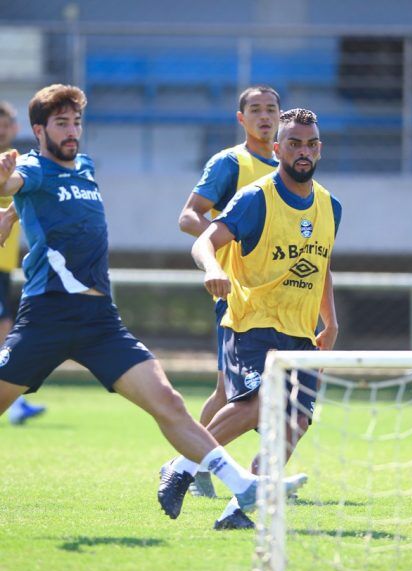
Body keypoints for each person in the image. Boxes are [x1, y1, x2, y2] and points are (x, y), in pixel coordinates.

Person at [0, 83, 306, 520]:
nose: (72, 132)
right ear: (38, 129)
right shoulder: (30, 166)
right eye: (61, 124)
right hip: (46, 315)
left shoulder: (83, 166)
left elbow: (37, 200)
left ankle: (243, 485)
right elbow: (16, 182)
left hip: (99, 320)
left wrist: (11, 217)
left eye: (77, 122)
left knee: (169, 401)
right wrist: (4, 185)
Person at [160, 108, 341, 528]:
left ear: (320, 149)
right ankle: (183, 467)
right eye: (293, 143)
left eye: (310, 143)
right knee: (258, 404)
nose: (303, 151)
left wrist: (329, 322)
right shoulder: (256, 197)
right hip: (253, 321)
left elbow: (321, 264)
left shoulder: (331, 205)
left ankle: (236, 511)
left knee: (296, 421)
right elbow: (205, 240)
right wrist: (213, 267)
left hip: (300, 330)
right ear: (276, 148)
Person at [176, 85, 280, 498]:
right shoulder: (230, 163)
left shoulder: (289, 164)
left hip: (279, 297)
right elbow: (188, 217)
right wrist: (229, 245)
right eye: (254, 110)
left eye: (271, 109)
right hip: (236, 295)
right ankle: (192, 467)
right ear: (241, 119)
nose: (264, 116)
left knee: (269, 389)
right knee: (229, 391)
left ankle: (221, 467)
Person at [0, 100, 47, 425]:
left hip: (5, 267)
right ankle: (15, 405)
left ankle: (14, 404)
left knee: (6, 332)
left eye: (7, 124)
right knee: (5, 331)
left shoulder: (19, 164)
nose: (3, 130)